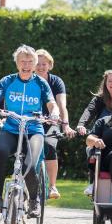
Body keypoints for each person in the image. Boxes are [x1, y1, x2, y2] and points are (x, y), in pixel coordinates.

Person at [0, 45, 60, 218]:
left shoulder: (41, 83)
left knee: (30, 165)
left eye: (30, 61)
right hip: (11, 128)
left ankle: (34, 200)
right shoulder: (8, 80)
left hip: (33, 130)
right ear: (17, 63)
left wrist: (54, 112)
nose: (26, 65)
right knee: (1, 152)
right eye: (22, 61)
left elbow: (51, 103)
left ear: (34, 63)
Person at [76, 69, 112, 195]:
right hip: (102, 137)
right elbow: (89, 111)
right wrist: (81, 125)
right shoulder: (99, 99)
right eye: (110, 81)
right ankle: (93, 182)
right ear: (105, 83)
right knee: (91, 150)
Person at [35, 49, 76, 200]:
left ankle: (52, 186)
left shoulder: (56, 82)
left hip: (51, 122)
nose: (40, 67)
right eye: (37, 64)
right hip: (32, 122)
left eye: (44, 64)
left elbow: (61, 105)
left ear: (50, 65)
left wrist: (65, 124)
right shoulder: (29, 80)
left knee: (50, 147)